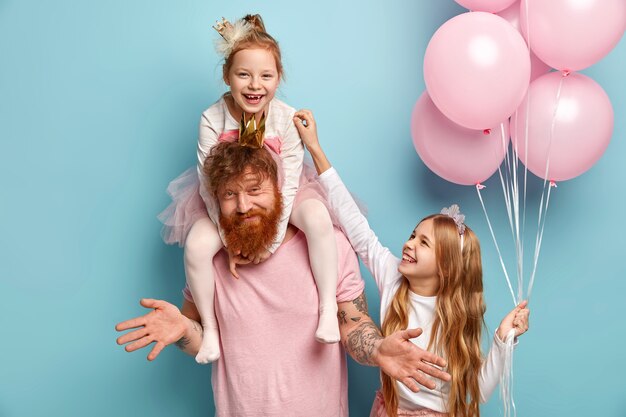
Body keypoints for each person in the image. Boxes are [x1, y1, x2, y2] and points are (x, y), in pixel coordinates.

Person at [116, 142, 451, 417]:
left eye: (254, 190)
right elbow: (200, 339)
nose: (244, 205)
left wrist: (377, 348)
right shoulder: (210, 260)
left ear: (280, 189)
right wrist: (182, 331)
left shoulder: (329, 245)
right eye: (230, 194)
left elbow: (352, 325)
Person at [293, 110, 531, 417]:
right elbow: (354, 224)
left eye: (424, 243)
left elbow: (480, 392)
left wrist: (503, 339)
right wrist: (315, 148)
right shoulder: (392, 277)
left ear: (446, 267)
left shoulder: (456, 314)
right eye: (413, 235)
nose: (409, 244)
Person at [158, 14, 341, 364]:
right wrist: (232, 242)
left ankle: (328, 308)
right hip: (225, 199)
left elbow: (286, 188)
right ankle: (210, 329)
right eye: (243, 74)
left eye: (266, 76)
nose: (254, 85)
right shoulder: (211, 119)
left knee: (317, 217)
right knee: (197, 246)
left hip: (279, 193)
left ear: (279, 77)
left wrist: (267, 246)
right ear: (227, 77)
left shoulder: (285, 119)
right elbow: (210, 186)